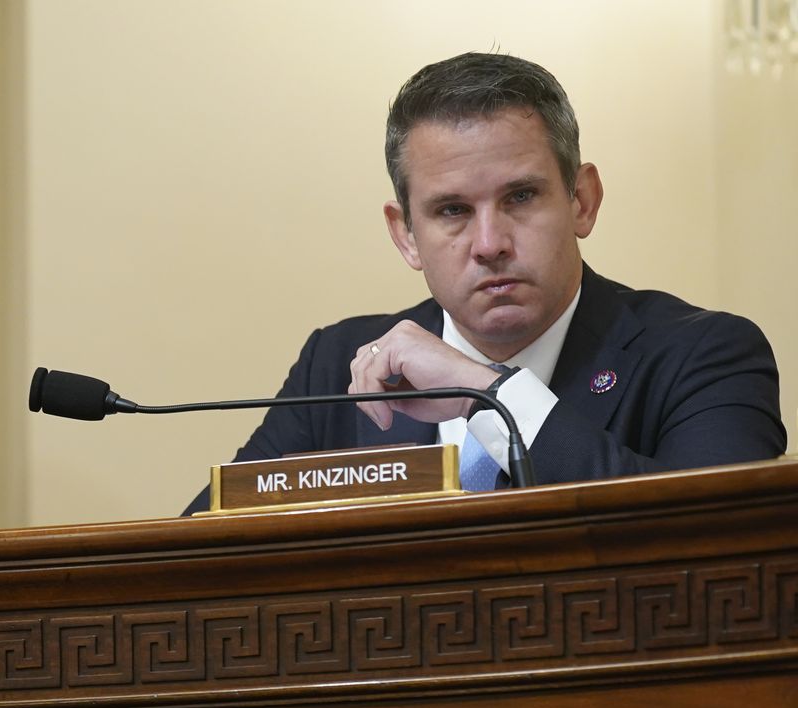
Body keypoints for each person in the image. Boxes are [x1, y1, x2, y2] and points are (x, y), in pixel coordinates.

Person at [185, 52, 784, 514]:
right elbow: (197, 562)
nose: (490, 242)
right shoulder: (337, 366)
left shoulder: (702, 355)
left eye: (520, 197)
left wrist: (484, 393)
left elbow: (717, 542)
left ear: (582, 200)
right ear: (406, 235)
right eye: (451, 211)